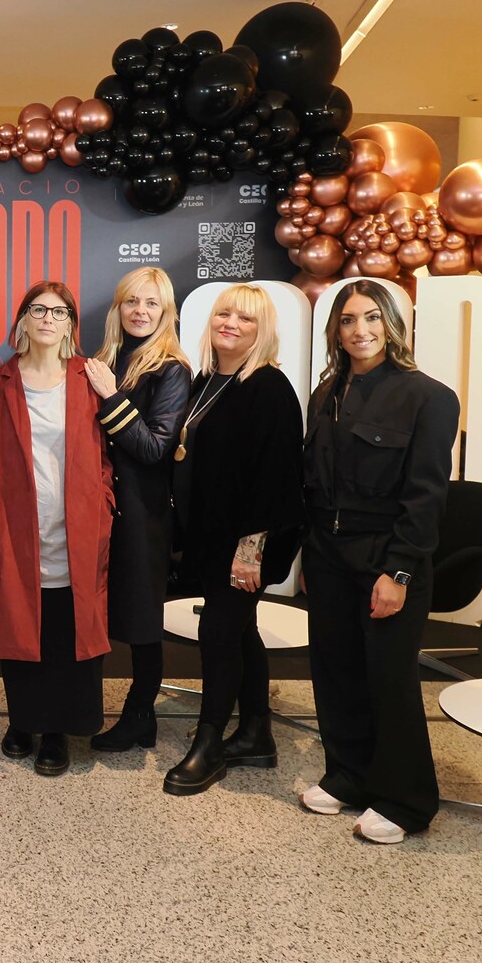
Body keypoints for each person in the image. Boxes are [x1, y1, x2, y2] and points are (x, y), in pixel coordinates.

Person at [301, 279, 459, 844]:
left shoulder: (429, 397)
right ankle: (350, 776)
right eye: (347, 321)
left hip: (386, 559)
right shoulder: (329, 391)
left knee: (388, 680)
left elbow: (425, 497)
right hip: (327, 552)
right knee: (336, 671)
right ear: (335, 332)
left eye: (371, 318)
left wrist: (400, 572)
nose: (359, 331)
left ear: (392, 324)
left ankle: (407, 799)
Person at [163, 284, 304, 795]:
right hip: (209, 535)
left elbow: (278, 479)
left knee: (219, 634)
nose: (231, 323)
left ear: (262, 330)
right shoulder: (206, 380)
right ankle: (257, 733)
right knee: (242, 632)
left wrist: (252, 552)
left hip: (247, 544)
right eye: (224, 313)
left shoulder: (268, 388)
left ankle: (208, 745)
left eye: (245, 318)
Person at [0, 282, 114, 777]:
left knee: (65, 625)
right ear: (24, 319)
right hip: (17, 523)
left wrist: (105, 503)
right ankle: (24, 721)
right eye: (39, 309)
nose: (49, 318)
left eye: (59, 311)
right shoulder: (0, 381)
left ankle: (57, 731)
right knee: (20, 624)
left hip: (77, 523)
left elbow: (111, 451)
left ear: (71, 323)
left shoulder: (88, 376)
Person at [84, 268, 191, 754]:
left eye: (151, 303)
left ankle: (139, 714)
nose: (140, 311)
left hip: (142, 514)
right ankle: (79, 705)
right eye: (132, 302)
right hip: (97, 509)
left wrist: (110, 395)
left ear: (166, 312)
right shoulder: (105, 358)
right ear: (118, 308)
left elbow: (153, 449)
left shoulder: (171, 370)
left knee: (142, 623)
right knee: (91, 613)